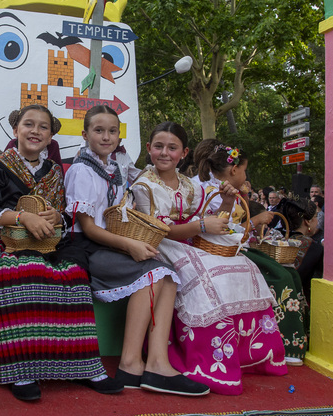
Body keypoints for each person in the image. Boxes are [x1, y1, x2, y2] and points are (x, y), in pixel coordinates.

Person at [0, 104, 121, 402]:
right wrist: (21, 218)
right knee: (23, 273)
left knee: (74, 274)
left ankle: (85, 366)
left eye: (43, 127)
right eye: (29, 125)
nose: (35, 131)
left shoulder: (54, 171)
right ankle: (19, 369)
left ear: (51, 136)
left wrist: (58, 218)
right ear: (16, 130)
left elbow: (67, 215)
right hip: (2, 242)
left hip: (47, 243)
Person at [133, 122, 287, 395]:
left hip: (189, 241)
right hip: (161, 243)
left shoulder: (187, 185)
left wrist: (227, 203)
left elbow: (210, 217)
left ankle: (248, 353)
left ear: (184, 152)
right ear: (149, 149)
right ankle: (210, 360)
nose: (165, 153)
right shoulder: (145, 184)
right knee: (208, 277)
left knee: (243, 265)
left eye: (172, 147)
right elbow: (157, 228)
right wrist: (200, 227)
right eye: (159, 147)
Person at [65, 106, 208, 396]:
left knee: (168, 273)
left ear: (119, 136)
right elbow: (89, 229)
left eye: (112, 131)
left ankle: (157, 364)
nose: (107, 137)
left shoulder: (114, 167)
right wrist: (130, 245)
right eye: (99, 130)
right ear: (85, 134)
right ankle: (130, 362)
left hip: (109, 242)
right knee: (155, 272)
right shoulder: (81, 170)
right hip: (88, 248)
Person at [196, 143, 309, 366]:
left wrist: (245, 197)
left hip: (235, 249)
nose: (246, 175)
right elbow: (226, 230)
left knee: (291, 273)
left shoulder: (230, 192)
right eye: (245, 170)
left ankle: (297, 339)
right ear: (234, 170)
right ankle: (285, 344)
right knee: (280, 277)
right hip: (221, 252)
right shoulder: (213, 193)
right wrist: (256, 220)